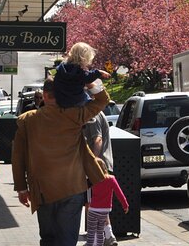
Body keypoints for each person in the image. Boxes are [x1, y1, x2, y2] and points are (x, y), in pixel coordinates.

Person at [12, 75, 110, 246]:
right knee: (67, 240)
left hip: (43, 190)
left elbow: (18, 157)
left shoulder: (27, 120)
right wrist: (88, 81)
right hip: (72, 187)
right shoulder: (74, 115)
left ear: (44, 94)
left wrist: (21, 188)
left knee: (48, 239)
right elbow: (103, 100)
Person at [83, 106, 117, 245]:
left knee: (92, 203)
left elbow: (97, 139)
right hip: (102, 166)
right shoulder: (94, 113)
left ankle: (103, 237)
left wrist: (93, 162)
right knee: (97, 204)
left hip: (98, 167)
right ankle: (106, 235)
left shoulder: (93, 116)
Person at [53, 42, 110, 108]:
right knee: (88, 100)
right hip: (76, 100)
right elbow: (88, 78)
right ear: (84, 58)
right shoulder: (79, 71)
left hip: (60, 100)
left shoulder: (61, 68)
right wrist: (99, 72)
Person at [85, 158, 128, 246]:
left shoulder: (94, 179)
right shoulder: (111, 179)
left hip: (93, 209)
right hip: (105, 210)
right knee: (100, 231)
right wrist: (125, 205)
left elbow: (84, 187)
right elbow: (119, 193)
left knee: (92, 232)